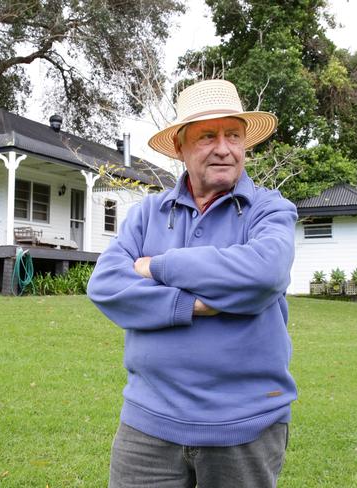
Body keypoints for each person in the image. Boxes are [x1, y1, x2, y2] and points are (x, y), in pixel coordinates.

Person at [87, 79, 297, 488]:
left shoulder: (270, 209)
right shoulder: (149, 212)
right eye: (207, 136)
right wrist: (194, 305)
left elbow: (263, 273)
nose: (224, 147)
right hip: (146, 425)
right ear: (180, 148)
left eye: (232, 135)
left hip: (244, 428)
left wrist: (157, 267)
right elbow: (107, 285)